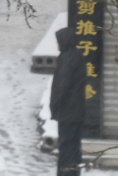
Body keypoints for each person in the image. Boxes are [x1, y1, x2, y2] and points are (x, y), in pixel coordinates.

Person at [50, 27, 86, 176]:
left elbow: (62, 86)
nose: (57, 44)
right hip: (77, 111)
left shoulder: (66, 58)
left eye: (58, 41)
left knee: (66, 147)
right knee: (74, 147)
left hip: (67, 112)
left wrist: (54, 105)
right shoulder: (78, 55)